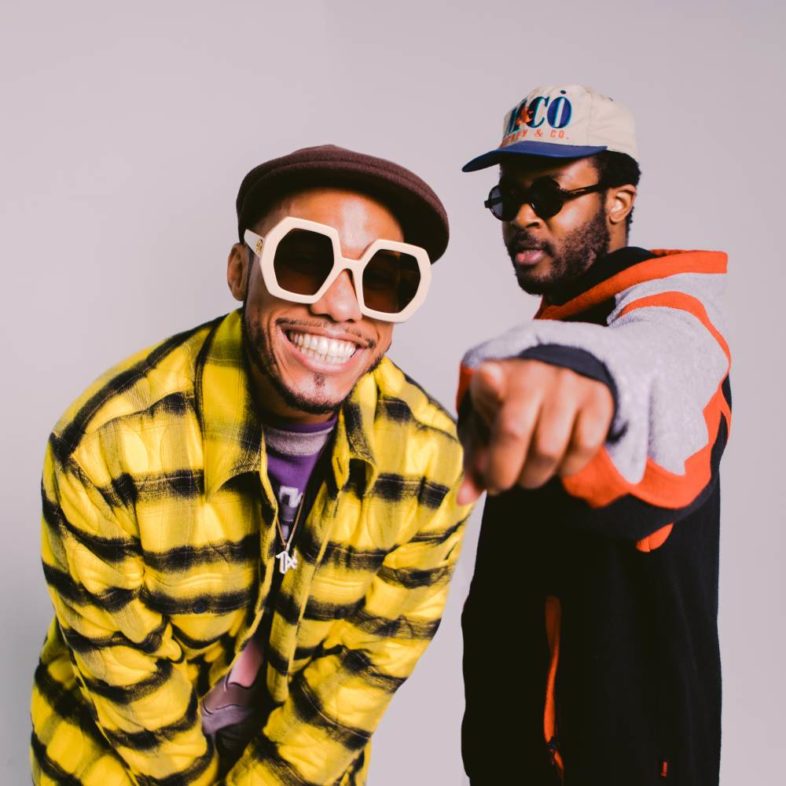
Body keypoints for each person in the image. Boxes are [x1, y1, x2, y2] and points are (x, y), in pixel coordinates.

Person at [30, 144, 470, 785]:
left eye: (381, 278)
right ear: (241, 272)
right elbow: (127, 679)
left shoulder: (434, 462)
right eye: (304, 261)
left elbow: (363, 671)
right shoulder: (106, 447)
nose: (342, 307)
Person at [457, 85, 731, 786]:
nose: (523, 216)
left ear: (618, 201)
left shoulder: (670, 322)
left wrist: (587, 379)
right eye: (508, 198)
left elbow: (656, 366)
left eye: (548, 194)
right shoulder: (562, 325)